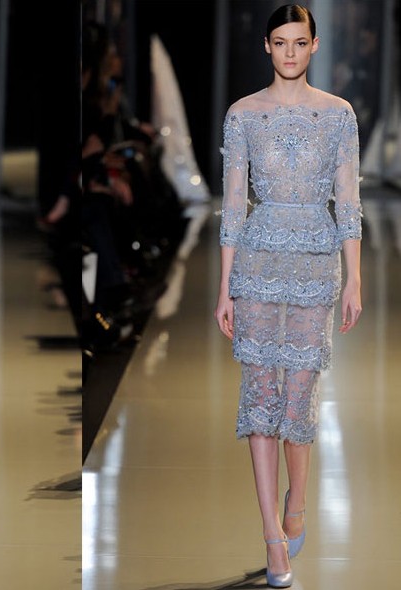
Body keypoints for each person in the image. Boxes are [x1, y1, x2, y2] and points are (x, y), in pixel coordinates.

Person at [214, 5, 362, 588]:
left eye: (300, 42)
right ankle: (272, 536)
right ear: (267, 47)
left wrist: (355, 278)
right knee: (260, 398)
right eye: (280, 43)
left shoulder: (339, 114)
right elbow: (233, 203)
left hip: (317, 264)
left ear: (314, 45)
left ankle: (297, 499)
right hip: (255, 265)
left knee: (298, 396)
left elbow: (348, 200)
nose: (290, 53)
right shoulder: (243, 114)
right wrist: (224, 286)